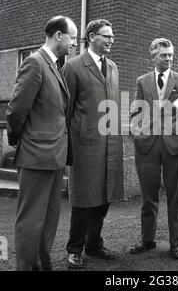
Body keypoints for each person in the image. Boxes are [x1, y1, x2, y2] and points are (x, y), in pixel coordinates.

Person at [6, 16, 78, 271]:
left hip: (54, 157)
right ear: (59, 36)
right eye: (73, 38)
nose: (75, 44)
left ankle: (41, 265)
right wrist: (19, 141)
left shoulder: (55, 66)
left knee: (48, 220)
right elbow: (16, 111)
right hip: (36, 156)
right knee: (31, 221)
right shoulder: (35, 63)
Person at [62, 19, 123, 269]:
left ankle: (94, 245)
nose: (111, 40)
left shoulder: (114, 67)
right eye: (106, 36)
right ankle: (74, 249)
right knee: (84, 199)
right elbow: (64, 109)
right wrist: (67, 144)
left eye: (112, 36)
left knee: (103, 197)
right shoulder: (74, 67)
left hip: (109, 144)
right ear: (91, 37)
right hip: (85, 145)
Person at [130, 38, 178, 259]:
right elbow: (136, 110)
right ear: (152, 56)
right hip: (148, 146)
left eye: (171, 55)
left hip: (175, 147)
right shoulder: (142, 81)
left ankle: (176, 243)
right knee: (148, 197)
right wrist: (136, 133)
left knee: (175, 198)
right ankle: (148, 241)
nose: (169, 58)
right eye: (164, 55)